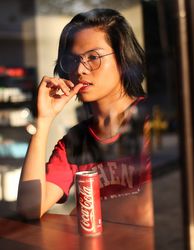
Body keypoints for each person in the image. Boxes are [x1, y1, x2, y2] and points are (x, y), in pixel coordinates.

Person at [17, 8, 154, 226]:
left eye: (93, 57)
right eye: (72, 59)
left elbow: (149, 209)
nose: (80, 69)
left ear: (123, 59)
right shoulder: (76, 141)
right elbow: (30, 207)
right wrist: (43, 121)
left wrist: (83, 213)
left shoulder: (151, 119)